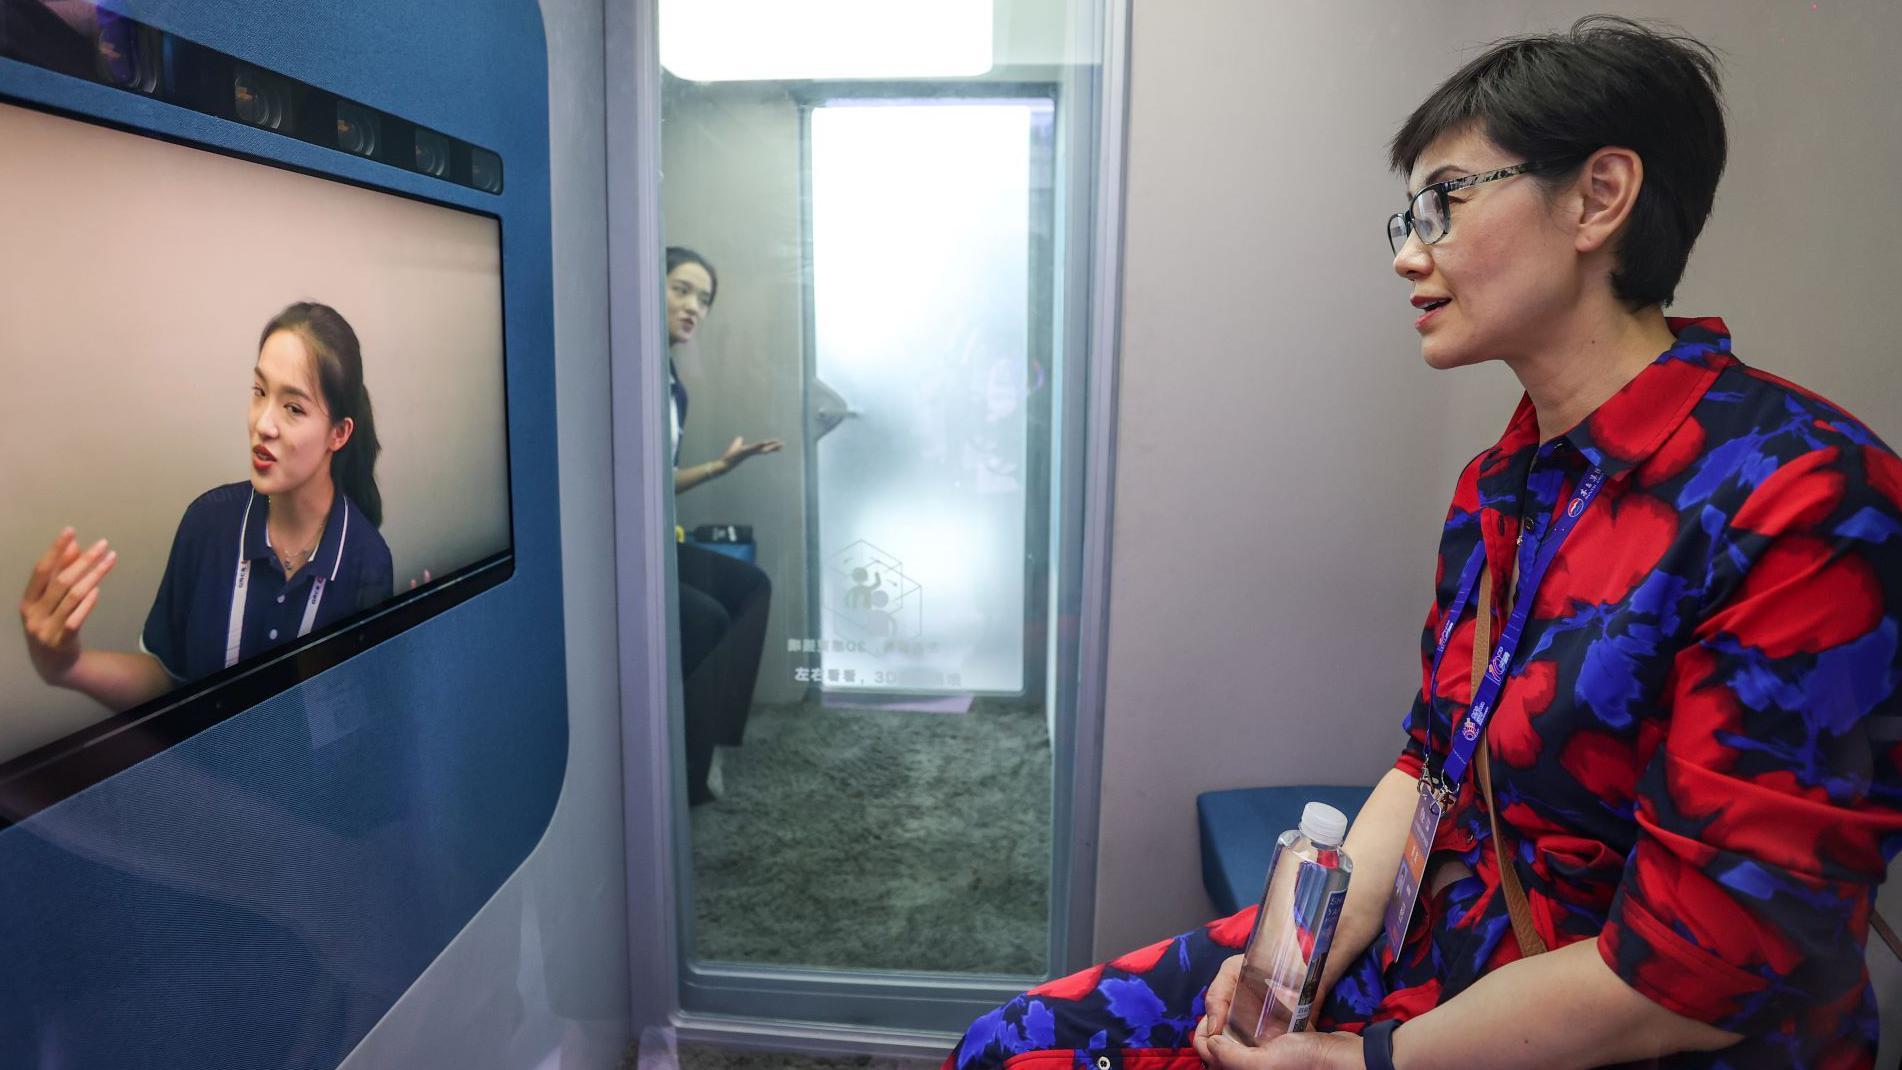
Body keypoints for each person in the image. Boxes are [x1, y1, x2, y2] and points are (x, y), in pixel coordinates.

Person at [946, 17, 1902, 1070]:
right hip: (1431, 950)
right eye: (1407, 215)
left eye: (1445, 202)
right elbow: (1433, 759)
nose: (1409, 252)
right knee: (1012, 1044)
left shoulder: (1803, 497)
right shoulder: (1502, 481)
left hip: (1612, 1031)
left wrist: (1358, 1060)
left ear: (1599, 197)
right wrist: (1290, 956)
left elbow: (1698, 972)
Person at [19, 302, 394, 711]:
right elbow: (169, 681)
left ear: (338, 434)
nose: (262, 424)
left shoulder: (366, 562)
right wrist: (66, 666)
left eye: (293, 408)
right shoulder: (208, 524)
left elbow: (350, 725)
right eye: (259, 391)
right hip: (190, 777)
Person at [664, 246, 781, 805]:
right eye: (681, 290)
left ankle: (709, 746)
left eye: (704, 300)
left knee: (752, 588)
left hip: (657, 543)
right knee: (707, 620)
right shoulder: (627, 373)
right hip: (615, 557)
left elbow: (655, 481)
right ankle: (681, 773)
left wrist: (719, 467)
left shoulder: (673, 387)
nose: (693, 308)